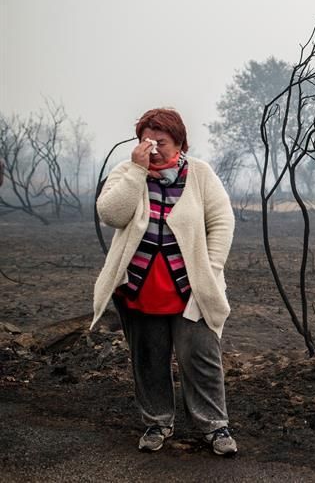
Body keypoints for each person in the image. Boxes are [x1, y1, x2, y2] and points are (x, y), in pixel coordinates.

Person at [91, 108, 237, 455]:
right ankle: (157, 422)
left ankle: (215, 428)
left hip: (191, 288)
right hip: (139, 287)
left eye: (162, 141)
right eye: (147, 140)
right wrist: (137, 172)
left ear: (180, 143)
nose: (153, 147)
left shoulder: (200, 174)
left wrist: (212, 268)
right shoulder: (128, 172)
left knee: (200, 357)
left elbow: (222, 222)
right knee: (148, 358)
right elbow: (111, 213)